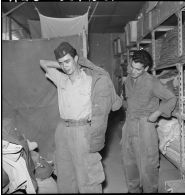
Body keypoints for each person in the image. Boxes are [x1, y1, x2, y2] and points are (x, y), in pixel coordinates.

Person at [40, 42, 122, 193]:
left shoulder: (91, 81)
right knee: (64, 174)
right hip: (63, 131)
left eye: (68, 61)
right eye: (61, 63)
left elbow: (113, 104)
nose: (65, 66)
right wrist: (63, 63)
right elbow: (43, 63)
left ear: (76, 59)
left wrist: (81, 63)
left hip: (83, 130)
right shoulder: (61, 80)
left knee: (88, 176)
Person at [121, 49, 177, 193]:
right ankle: (133, 190)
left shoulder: (152, 82)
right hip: (129, 124)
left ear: (145, 69)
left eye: (137, 69)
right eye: (132, 67)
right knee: (129, 162)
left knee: (148, 166)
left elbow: (171, 98)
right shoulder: (128, 79)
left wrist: (157, 113)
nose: (133, 71)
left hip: (145, 126)